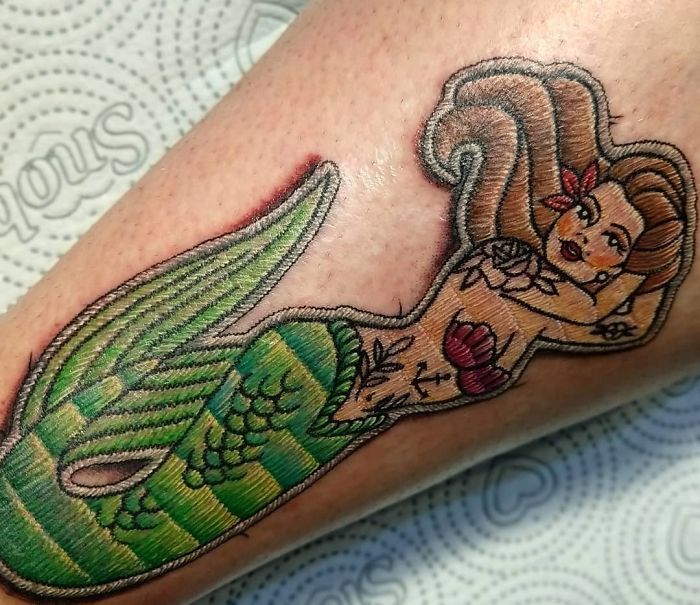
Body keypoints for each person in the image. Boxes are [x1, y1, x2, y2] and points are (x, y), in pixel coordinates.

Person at [0, 1, 698, 604]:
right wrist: (622, 279)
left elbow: (620, 322)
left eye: (611, 241)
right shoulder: (508, 273)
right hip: (322, 373)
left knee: (151, 523)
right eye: (586, 214)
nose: (583, 237)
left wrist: (635, 278)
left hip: (345, 414)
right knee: (144, 515)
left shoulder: (552, 302)